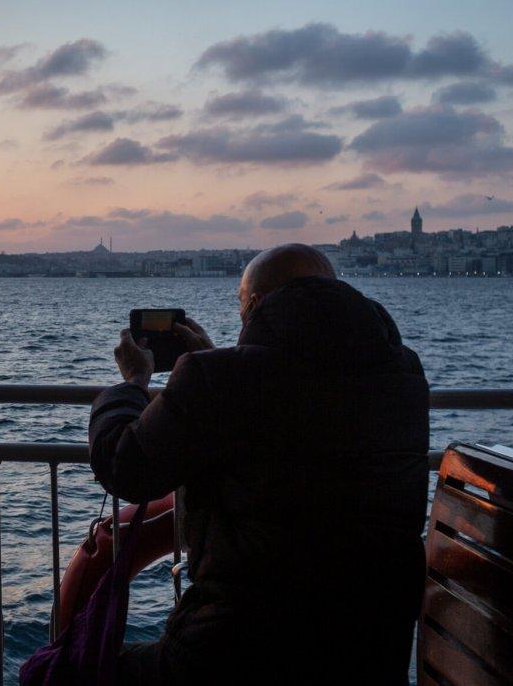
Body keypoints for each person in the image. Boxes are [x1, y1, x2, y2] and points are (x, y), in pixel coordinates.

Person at [90, 243, 430, 684]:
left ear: (252, 305)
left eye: (239, 304)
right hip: (367, 655)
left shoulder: (218, 381)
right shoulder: (403, 375)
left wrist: (133, 383)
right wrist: (214, 363)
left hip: (239, 650)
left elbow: (126, 465)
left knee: (76, 673)